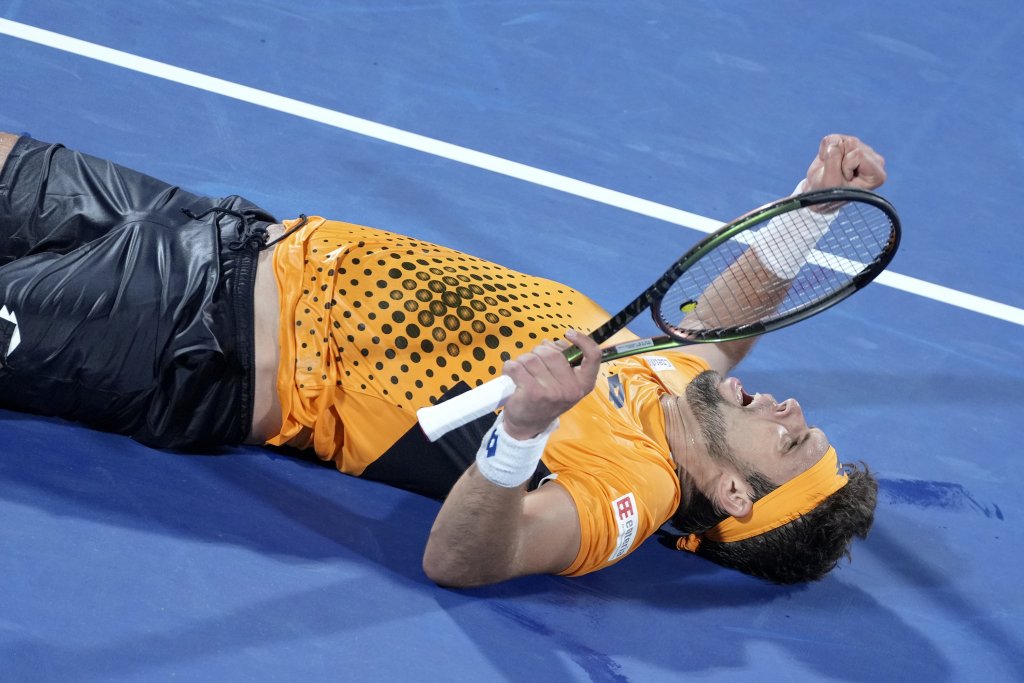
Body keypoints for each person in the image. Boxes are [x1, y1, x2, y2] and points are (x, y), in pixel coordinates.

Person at [0, 131, 885, 587]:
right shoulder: (677, 381)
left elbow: (464, 561)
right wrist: (810, 210)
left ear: (733, 495)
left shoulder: (632, 491)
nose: (793, 412)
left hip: (191, 334)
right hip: (239, 232)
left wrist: (522, 429)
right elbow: (722, 325)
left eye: (793, 444)